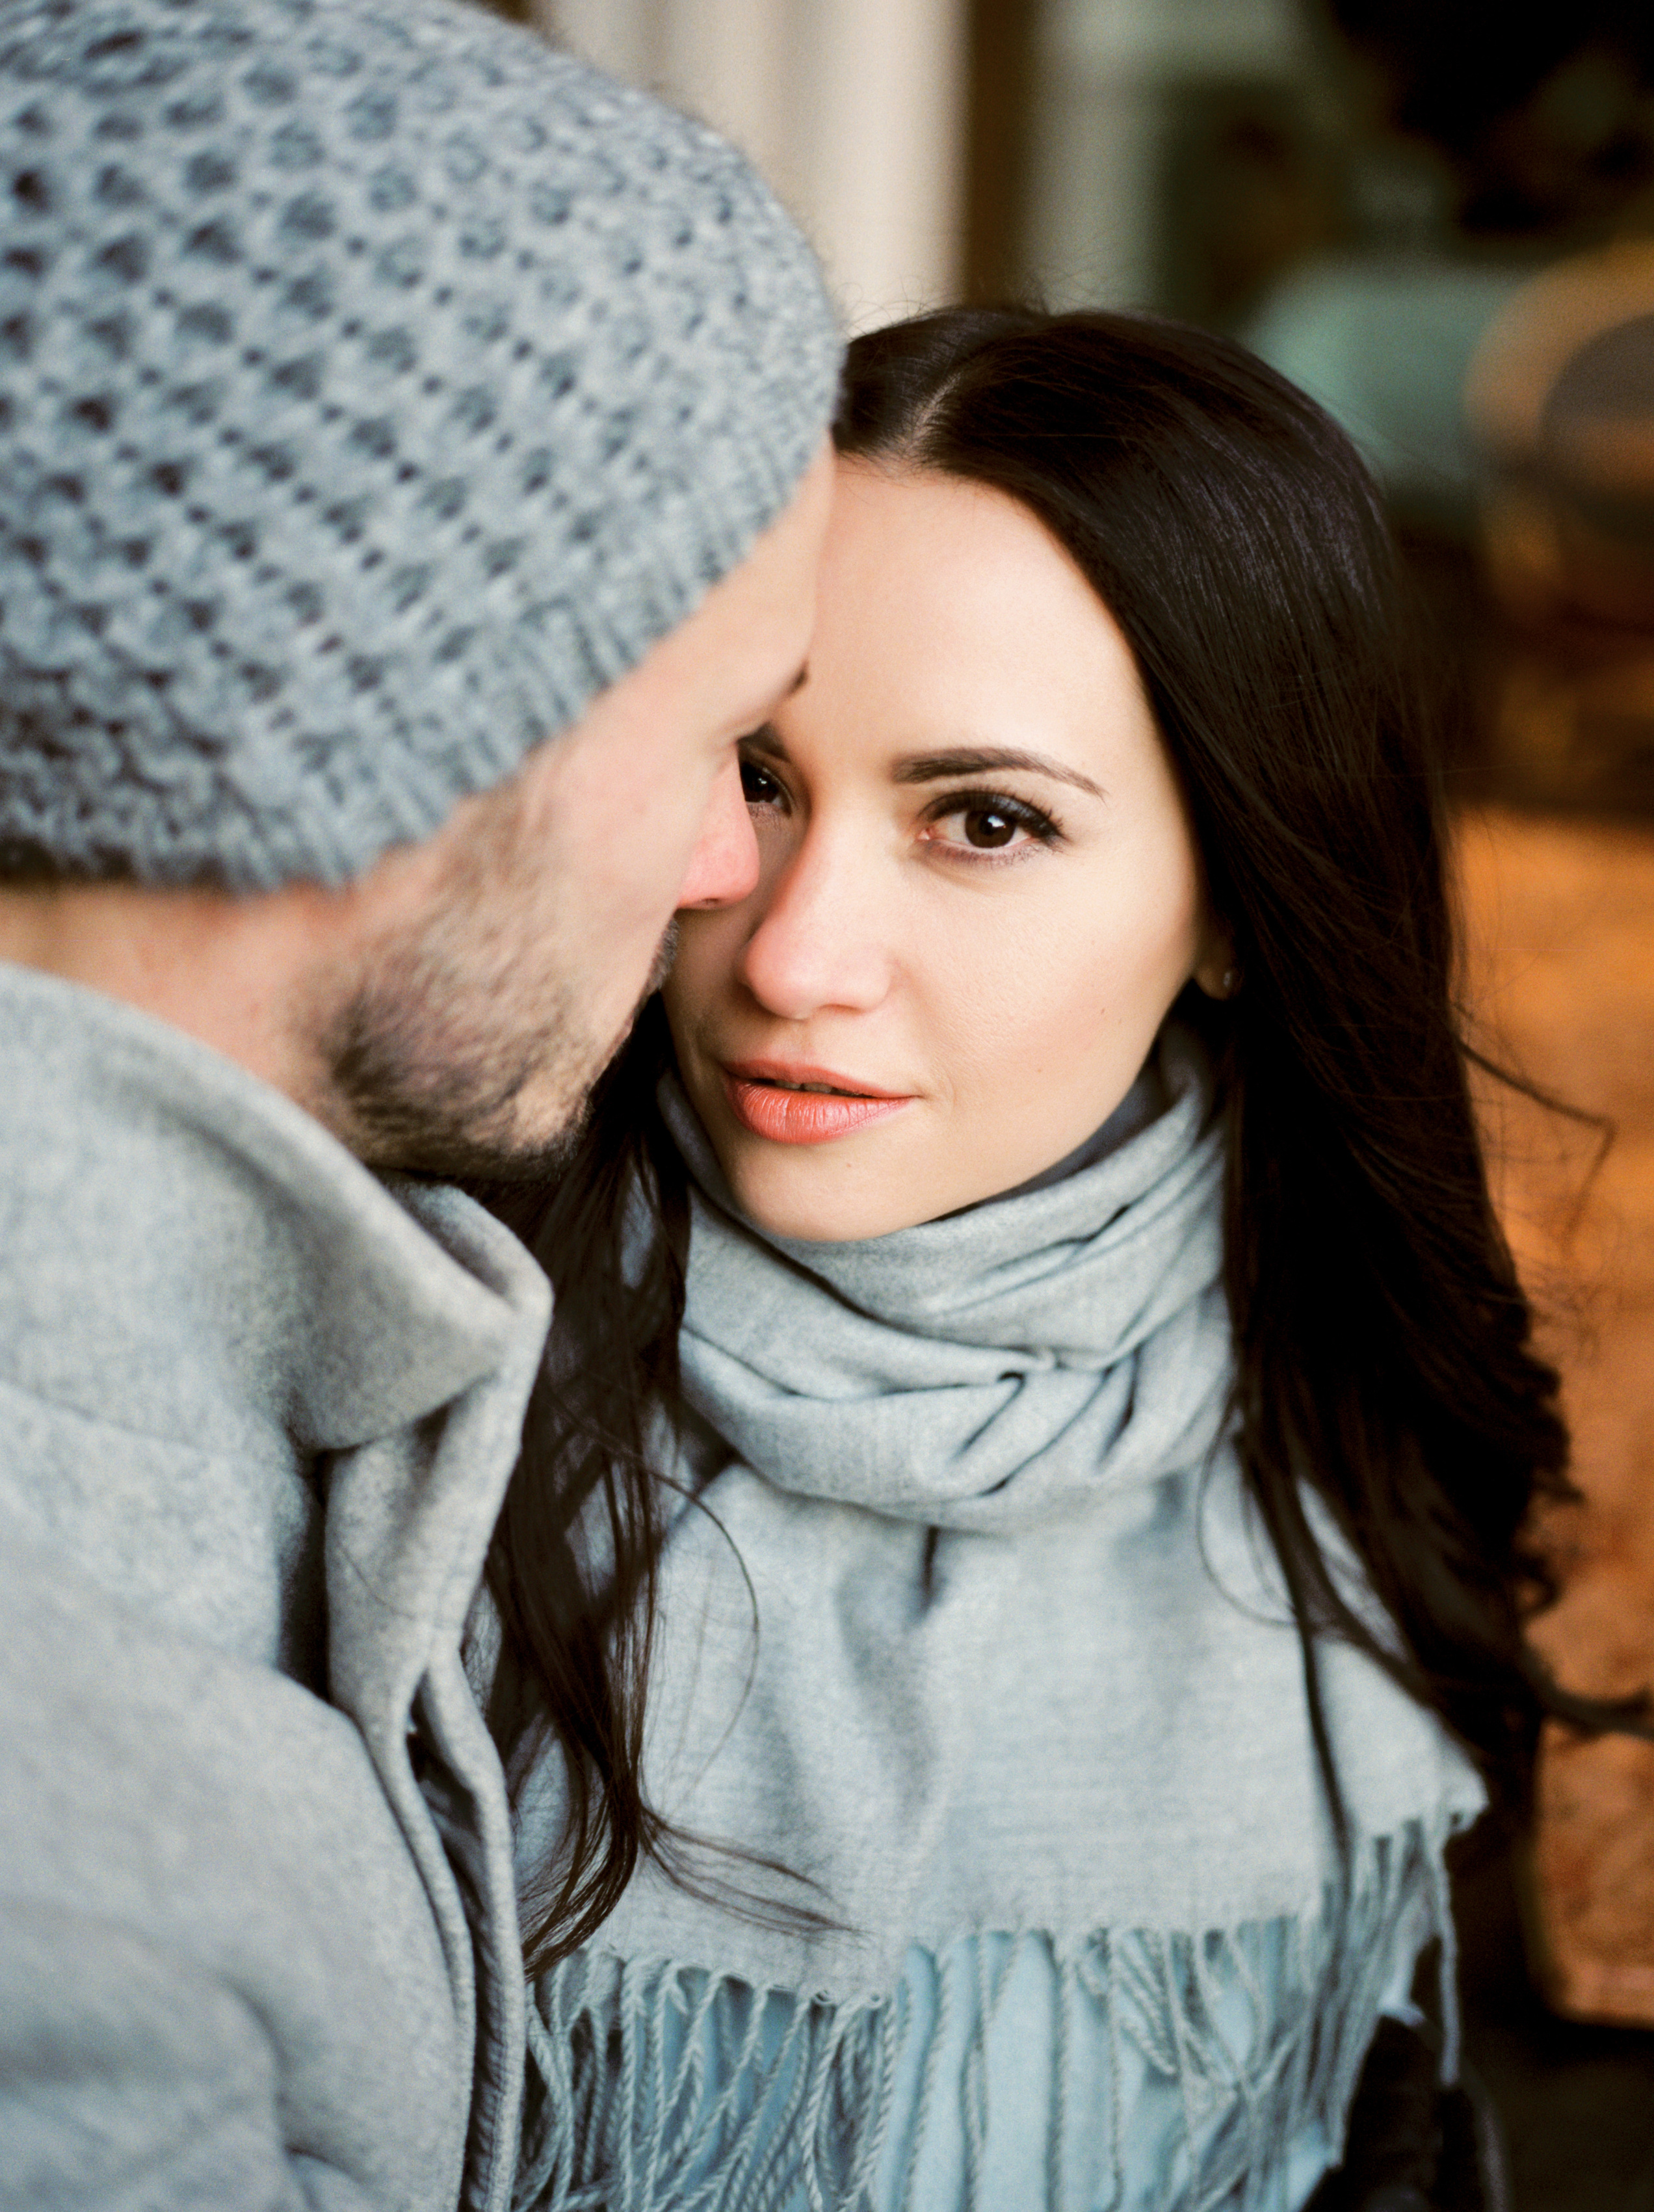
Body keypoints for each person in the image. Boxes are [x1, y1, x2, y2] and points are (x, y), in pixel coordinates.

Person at [493, 311, 1608, 2211]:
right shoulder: (425, 1376)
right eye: (756, 776)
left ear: (1243, 906)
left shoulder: (1347, 1430)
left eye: (985, 819)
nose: (790, 953)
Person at [0, 1, 840, 2205]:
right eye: (721, 745)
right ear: (357, 715)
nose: (730, 877)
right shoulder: (57, 1895)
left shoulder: (200, 1390)